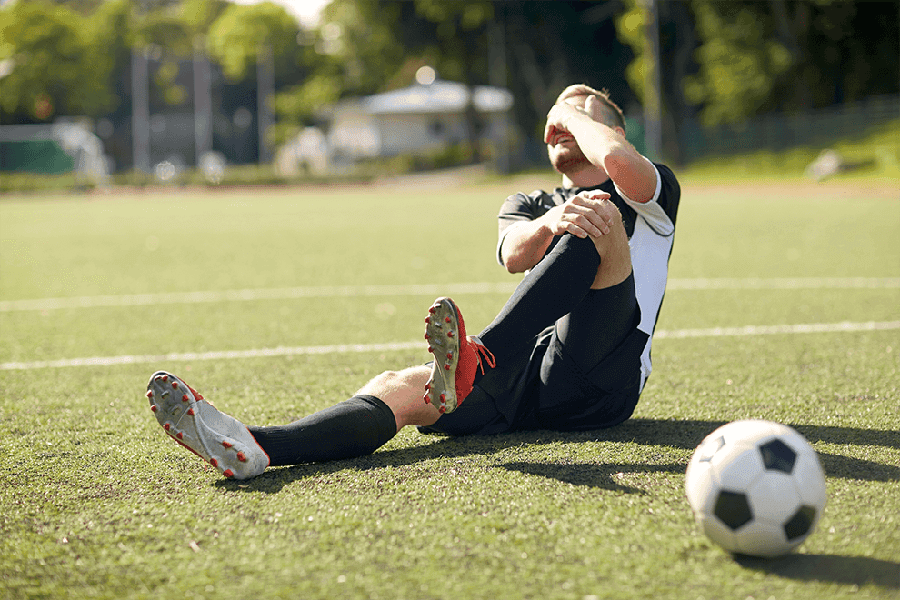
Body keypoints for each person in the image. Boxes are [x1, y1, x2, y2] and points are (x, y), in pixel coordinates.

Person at [144, 84, 681, 480]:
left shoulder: (650, 190)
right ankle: (257, 446)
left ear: (613, 129)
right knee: (399, 385)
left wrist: (573, 112)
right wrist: (550, 218)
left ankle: (479, 357)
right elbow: (515, 256)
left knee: (597, 214)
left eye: (576, 116)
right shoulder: (526, 203)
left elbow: (614, 160)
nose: (560, 124)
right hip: (528, 374)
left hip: (603, 376)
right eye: (554, 121)